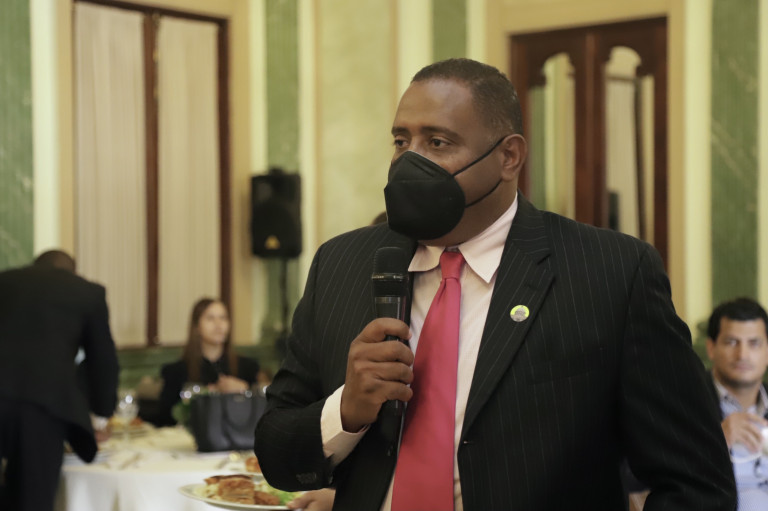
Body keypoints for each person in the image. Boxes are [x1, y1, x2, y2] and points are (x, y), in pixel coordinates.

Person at [254, 58, 736, 510]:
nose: (409, 162)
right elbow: (276, 452)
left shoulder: (611, 273)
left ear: (509, 156)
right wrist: (346, 410)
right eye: (401, 141)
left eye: (437, 143)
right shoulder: (341, 264)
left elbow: (696, 482)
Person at [0, 250, 119, 511]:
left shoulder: (5, 281)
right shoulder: (87, 292)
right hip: (42, 407)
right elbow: (102, 359)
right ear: (73, 272)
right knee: (32, 501)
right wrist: (100, 415)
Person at [156, 297, 260, 426]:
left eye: (223, 318)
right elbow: (165, 418)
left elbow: (261, 413)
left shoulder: (247, 367)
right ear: (197, 326)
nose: (218, 324)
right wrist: (206, 394)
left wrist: (245, 390)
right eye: (210, 318)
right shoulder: (176, 371)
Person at [706, 298, 768, 509]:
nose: (742, 355)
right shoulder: (684, 401)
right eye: (731, 342)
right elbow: (639, 475)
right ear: (711, 348)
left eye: (754, 343)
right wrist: (717, 441)